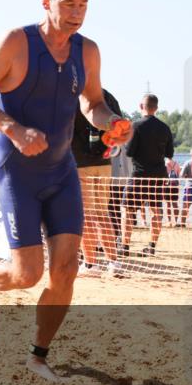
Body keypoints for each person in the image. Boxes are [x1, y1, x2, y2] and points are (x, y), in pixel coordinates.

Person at [0, 0, 130, 381]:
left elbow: (92, 103)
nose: (77, 13)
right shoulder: (17, 42)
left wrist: (111, 122)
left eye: (84, 4)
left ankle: (38, 355)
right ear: (47, 2)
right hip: (18, 171)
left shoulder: (86, 51)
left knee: (66, 271)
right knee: (27, 274)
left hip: (61, 171)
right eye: (69, 3)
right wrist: (13, 129)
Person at [70, 88, 125, 277]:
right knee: (102, 213)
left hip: (80, 162)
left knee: (87, 215)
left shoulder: (71, 94)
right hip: (103, 162)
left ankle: (91, 264)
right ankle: (114, 262)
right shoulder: (107, 95)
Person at [122, 94, 175, 257]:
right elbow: (170, 153)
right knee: (155, 210)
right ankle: (152, 246)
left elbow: (129, 152)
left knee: (127, 209)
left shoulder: (135, 126)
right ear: (156, 108)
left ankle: (124, 246)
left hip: (139, 174)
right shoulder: (165, 128)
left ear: (141, 106)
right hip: (158, 175)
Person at [180, 147, 192, 227]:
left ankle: (182, 223)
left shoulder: (188, 163)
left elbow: (181, 175)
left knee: (185, 206)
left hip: (189, 186)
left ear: (191, 154)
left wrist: (186, 177)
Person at [164, 156, 183, 228]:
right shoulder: (176, 164)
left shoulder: (165, 164)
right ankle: (176, 221)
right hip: (175, 185)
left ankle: (169, 222)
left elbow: (164, 175)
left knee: (168, 204)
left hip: (167, 185)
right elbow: (179, 175)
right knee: (175, 204)